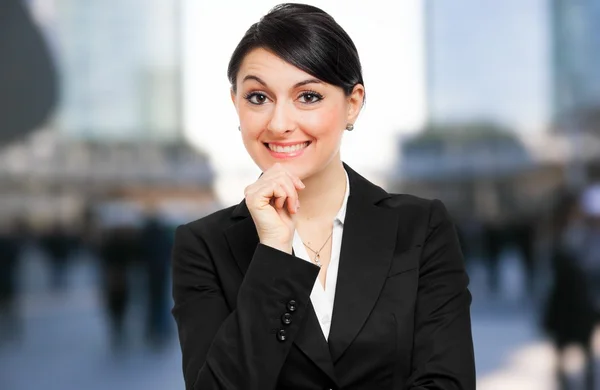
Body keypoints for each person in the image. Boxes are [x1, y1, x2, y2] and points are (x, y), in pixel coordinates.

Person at [171, 4, 475, 389]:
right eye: (258, 98)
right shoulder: (204, 246)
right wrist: (274, 256)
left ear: (353, 103)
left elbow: (448, 382)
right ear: (236, 104)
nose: (280, 124)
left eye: (308, 96)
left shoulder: (421, 227)